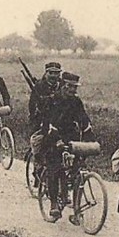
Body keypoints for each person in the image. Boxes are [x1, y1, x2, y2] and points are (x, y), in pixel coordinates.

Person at [41, 72, 95, 223]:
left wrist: (91, 139)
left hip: (71, 139)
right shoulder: (51, 101)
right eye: (69, 86)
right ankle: (53, 204)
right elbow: (48, 124)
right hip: (52, 138)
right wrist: (56, 141)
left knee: (78, 170)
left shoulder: (76, 102)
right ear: (62, 85)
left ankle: (76, 211)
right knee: (55, 168)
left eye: (75, 87)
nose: (72, 90)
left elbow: (84, 121)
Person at [28, 62, 63, 168]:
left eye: (56, 73)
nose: (53, 76)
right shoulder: (39, 85)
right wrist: (33, 117)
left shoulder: (62, 85)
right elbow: (32, 104)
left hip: (59, 118)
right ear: (46, 73)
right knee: (39, 143)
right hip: (42, 118)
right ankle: (38, 167)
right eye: (51, 73)